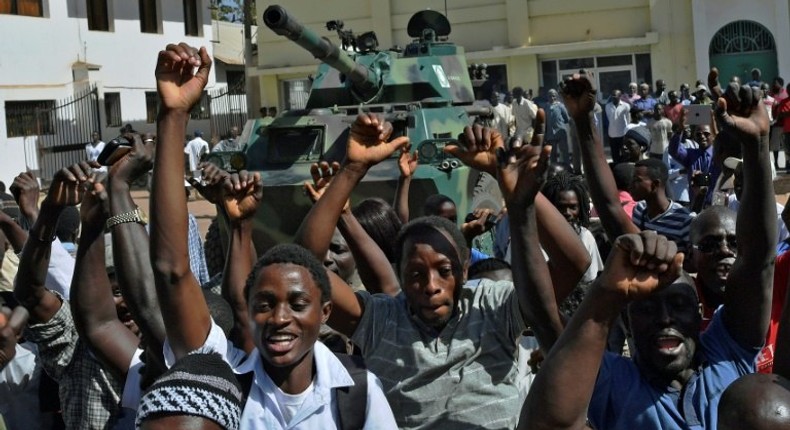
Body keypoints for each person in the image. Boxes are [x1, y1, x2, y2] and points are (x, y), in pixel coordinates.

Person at [295, 103, 591, 428]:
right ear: (401, 277)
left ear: (464, 270)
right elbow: (303, 272)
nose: (431, 286)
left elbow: (574, 263)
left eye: (444, 271)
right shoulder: (381, 319)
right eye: (416, 275)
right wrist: (351, 171)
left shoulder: (492, 306)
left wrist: (519, 191)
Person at [150, 42, 397, 429]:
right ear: (247, 312)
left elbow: (305, 257)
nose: (280, 318)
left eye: (298, 304)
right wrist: (173, 114)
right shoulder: (223, 378)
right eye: (264, 304)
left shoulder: (358, 395)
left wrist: (351, 172)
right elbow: (171, 270)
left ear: (325, 312)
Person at [519, 71, 775, 430]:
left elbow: (758, 260)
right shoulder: (612, 380)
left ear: (700, 314)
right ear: (625, 320)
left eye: (680, 305)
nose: (665, 318)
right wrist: (521, 210)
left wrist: (758, 145)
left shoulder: (726, 353)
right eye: (648, 308)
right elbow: (546, 320)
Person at [546, 89, 571, 168]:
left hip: (560, 133)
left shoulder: (560, 106)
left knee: (564, 152)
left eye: (553, 96)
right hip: (550, 134)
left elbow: (566, 118)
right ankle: (554, 170)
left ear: (556, 96)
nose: (552, 98)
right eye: (550, 96)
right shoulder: (546, 107)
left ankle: (567, 169)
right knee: (552, 154)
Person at [604, 90, 631, 164]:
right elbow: (609, 118)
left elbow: (628, 119)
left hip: (623, 134)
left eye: (615, 95)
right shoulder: (608, 106)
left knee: (624, 153)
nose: (613, 97)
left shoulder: (626, 106)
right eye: (612, 96)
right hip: (612, 134)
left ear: (620, 96)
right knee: (614, 154)